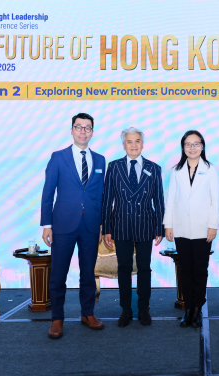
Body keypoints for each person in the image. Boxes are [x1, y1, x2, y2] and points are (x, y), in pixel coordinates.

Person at [41, 113, 106, 339]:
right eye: (79, 127)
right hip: (63, 224)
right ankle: (57, 319)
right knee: (58, 274)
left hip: (90, 226)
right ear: (71, 130)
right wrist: (47, 224)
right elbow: (48, 193)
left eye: (87, 128)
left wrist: (101, 224)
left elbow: (100, 195)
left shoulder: (100, 160)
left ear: (92, 132)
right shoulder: (58, 157)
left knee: (88, 273)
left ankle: (87, 313)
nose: (83, 131)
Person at [101, 127, 164, 327]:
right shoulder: (114, 167)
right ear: (124, 145)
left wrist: (160, 228)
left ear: (143, 144)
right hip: (121, 225)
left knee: (145, 269)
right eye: (130, 141)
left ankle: (144, 309)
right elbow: (107, 200)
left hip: (146, 225)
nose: (134, 145)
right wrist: (106, 229)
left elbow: (159, 201)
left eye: (137, 141)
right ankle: (126, 310)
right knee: (124, 269)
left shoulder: (154, 168)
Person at [163, 130, 219, 328]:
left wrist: (213, 225)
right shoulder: (176, 170)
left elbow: (216, 200)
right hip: (180, 228)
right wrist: (168, 225)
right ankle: (188, 309)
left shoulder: (211, 169)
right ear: (183, 147)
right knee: (185, 270)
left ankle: (197, 308)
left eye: (196, 144)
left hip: (204, 229)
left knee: (200, 270)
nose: (192, 147)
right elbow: (170, 199)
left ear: (202, 146)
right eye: (188, 144)